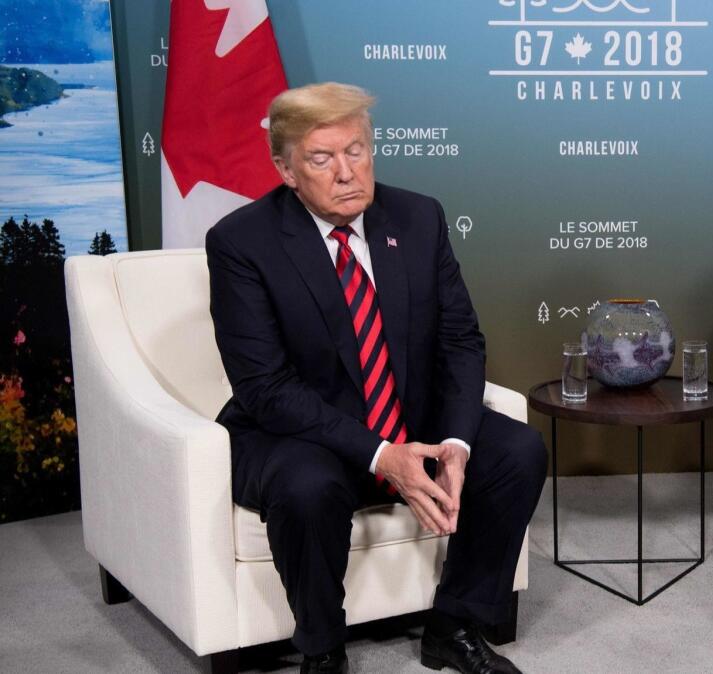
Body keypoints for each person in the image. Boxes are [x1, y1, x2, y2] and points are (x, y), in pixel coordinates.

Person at [206, 82, 546, 674]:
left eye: (357, 150)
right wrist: (382, 455)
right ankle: (322, 648)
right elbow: (266, 388)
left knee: (516, 448)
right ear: (285, 169)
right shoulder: (242, 243)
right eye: (321, 158)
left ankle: (454, 624)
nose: (346, 172)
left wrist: (459, 446)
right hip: (301, 432)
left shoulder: (418, 217)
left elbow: (460, 341)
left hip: (406, 416)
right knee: (307, 487)